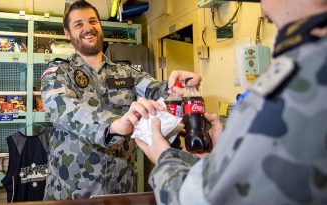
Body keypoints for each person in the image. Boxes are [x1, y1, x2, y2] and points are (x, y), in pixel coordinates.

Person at [136, 0, 327, 204]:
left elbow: (201, 200)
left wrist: (164, 157)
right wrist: (221, 155)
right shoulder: (306, 61)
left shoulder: (306, 70)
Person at [40, 0, 200, 200]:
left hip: (121, 188)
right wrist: (112, 124)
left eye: (92, 21)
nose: (88, 28)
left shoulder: (126, 72)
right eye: (78, 24)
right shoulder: (58, 72)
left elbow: (156, 90)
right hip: (73, 190)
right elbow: (61, 108)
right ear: (67, 33)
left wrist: (177, 86)